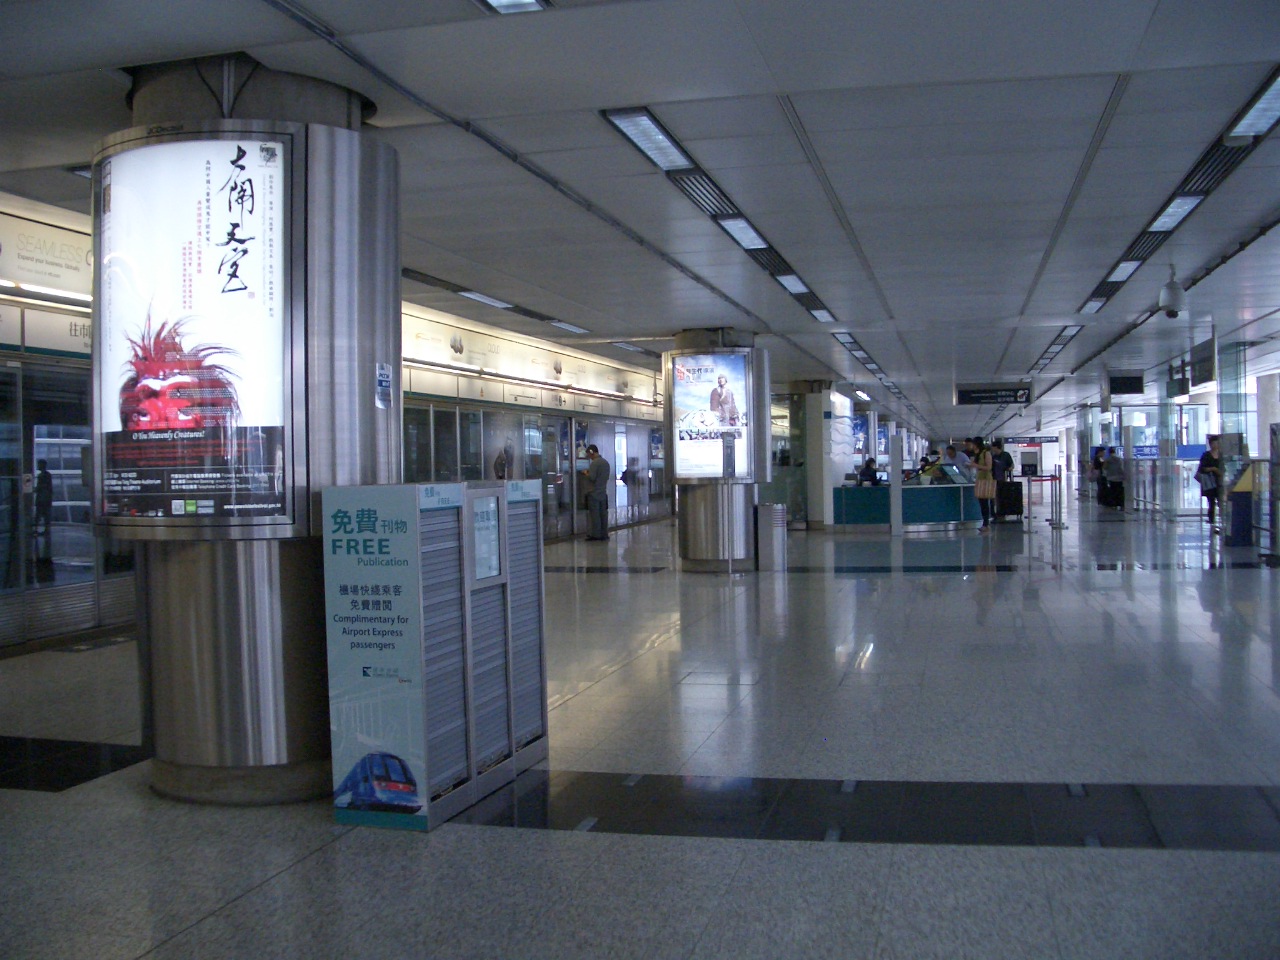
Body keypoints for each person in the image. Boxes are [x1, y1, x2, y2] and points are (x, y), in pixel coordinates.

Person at [579, 443, 611, 540]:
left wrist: (585, 472)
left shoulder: (595, 463)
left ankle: (595, 535)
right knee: (603, 514)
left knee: (595, 515)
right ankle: (604, 534)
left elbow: (592, 477)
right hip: (603, 492)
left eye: (589, 454)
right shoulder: (605, 463)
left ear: (591, 452)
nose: (589, 457)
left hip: (593, 492)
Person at [1195, 435, 1222, 526]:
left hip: (1220, 481)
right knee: (1211, 501)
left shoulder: (1222, 455)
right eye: (1213, 443)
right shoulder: (1206, 455)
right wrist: (1213, 469)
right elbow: (1202, 468)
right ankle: (1211, 519)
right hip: (1210, 481)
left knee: (1221, 501)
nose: (1215, 445)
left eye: (1217, 443)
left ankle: (1223, 518)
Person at [972, 438, 996, 530]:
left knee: (985, 502)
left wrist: (976, 466)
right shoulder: (978, 454)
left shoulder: (986, 453)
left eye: (974, 444)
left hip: (986, 479)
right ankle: (985, 523)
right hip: (980, 478)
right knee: (982, 502)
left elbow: (989, 467)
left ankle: (986, 524)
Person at [1103, 446, 1125, 512]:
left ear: (1109, 452)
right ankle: (1121, 504)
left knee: (1112, 491)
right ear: (1115, 451)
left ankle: (1113, 504)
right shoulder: (1119, 459)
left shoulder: (1107, 459)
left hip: (1111, 478)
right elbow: (1121, 468)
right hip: (1119, 478)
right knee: (1120, 491)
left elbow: (1105, 468)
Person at [34, 459, 53, 534]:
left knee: (40, 514)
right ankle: (45, 530)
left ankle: (37, 529)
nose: (38, 466)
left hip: (43, 499)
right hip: (45, 498)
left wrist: (36, 489)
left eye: (39, 464)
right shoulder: (46, 475)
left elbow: (43, 486)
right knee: (45, 515)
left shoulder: (43, 475)